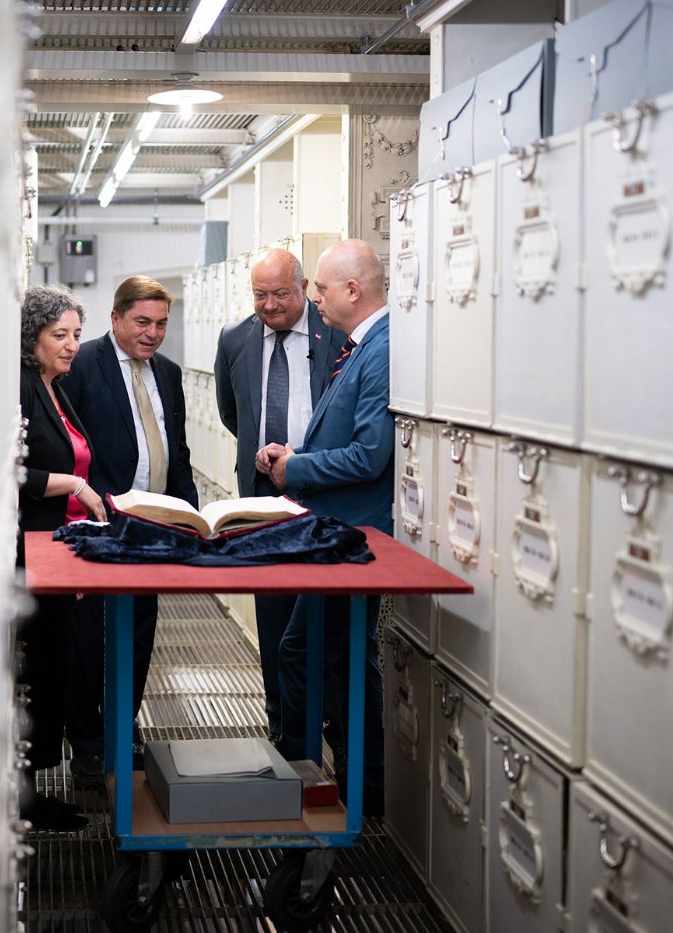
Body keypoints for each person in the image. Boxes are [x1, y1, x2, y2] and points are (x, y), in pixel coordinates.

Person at [255, 239, 393, 816]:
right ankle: (364, 788)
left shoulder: (382, 348)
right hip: (337, 532)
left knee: (302, 652)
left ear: (352, 291)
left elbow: (370, 455)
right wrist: (297, 452)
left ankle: (301, 790)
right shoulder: (365, 346)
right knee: (341, 658)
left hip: (353, 537)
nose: (315, 297)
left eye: (321, 287)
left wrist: (298, 467)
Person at [59, 275, 196, 786]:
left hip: (152, 527)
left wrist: (192, 519)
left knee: (138, 632)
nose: (153, 333)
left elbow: (177, 453)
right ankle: (89, 744)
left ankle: (122, 727)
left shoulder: (170, 373)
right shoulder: (82, 368)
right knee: (89, 639)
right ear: (115, 319)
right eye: (142, 322)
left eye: (161, 323)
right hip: (97, 527)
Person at [213, 247, 346, 744]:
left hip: (325, 493)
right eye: (260, 295)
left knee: (324, 620)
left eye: (280, 294)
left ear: (305, 286)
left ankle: (330, 726)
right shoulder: (234, 339)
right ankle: (284, 726)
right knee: (273, 615)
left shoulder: (335, 334)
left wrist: (304, 459)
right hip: (264, 498)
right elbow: (233, 413)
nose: (269, 306)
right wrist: (263, 453)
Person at [16, 285, 107, 832]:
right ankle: (25, 798)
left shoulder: (55, 388)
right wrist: (70, 481)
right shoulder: (24, 390)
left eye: (76, 334)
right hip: (31, 551)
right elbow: (8, 472)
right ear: (32, 339)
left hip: (61, 548)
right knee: (40, 668)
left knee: (55, 668)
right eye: (60, 336)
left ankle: (34, 789)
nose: (72, 345)